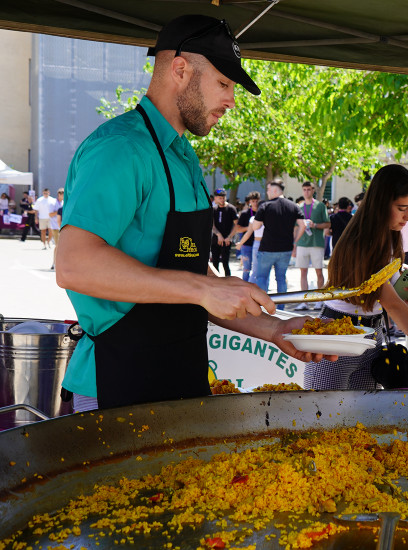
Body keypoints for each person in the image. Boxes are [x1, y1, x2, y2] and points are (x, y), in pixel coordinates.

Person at [55, 14, 329, 411]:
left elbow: (193, 275)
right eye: (223, 83)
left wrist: (278, 329)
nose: (231, 100)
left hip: (181, 374)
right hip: (115, 382)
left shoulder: (185, 159)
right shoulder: (121, 148)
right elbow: (74, 265)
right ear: (180, 70)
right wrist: (205, 289)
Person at [302, 165, 408, 390]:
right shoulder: (363, 241)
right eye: (402, 207)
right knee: (323, 418)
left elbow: (389, 298)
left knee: (364, 421)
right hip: (337, 337)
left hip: (372, 337)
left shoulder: (390, 236)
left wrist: (403, 293)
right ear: (381, 202)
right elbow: (392, 304)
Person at [250, 180, 302, 302]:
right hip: (286, 248)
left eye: (268, 190)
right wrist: (295, 241)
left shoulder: (265, 206)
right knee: (281, 278)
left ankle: (263, 305)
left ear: (274, 190)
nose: (267, 192)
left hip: (267, 248)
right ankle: (281, 306)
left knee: (262, 277)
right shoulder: (293, 206)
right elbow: (302, 225)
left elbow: (255, 227)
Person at [292, 182, 329, 309]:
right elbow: (296, 228)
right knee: (303, 273)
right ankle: (304, 302)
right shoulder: (299, 207)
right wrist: (294, 245)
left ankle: (320, 300)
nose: (306, 192)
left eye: (309, 189)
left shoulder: (320, 206)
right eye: (304, 190)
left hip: (316, 243)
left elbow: (328, 224)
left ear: (313, 190)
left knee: (319, 272)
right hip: (302, 243)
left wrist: (316, 225)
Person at [210, 188, 238, 276]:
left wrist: (229, 237)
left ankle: (228, 283)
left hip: (226, 241)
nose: (222, 200)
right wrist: (218, 235)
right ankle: (215, 283)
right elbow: (212, 225)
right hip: (216, 240)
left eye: (223, 198)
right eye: (220, 198)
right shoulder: (214, 209)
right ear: (215, 198)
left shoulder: (231, 209)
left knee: (225, 263)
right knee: (215, 263)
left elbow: (237, 225)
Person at [235, 191, 260, 282]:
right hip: (247, 244)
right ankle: (245, 285)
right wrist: (250, 228)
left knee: (258, 269)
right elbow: (238, 229)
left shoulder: (263, 212)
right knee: (246, 269)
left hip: (260, 244)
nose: (255, 203)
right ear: (249, 202)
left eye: (257, 201)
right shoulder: (245, 213)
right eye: (253, 201)